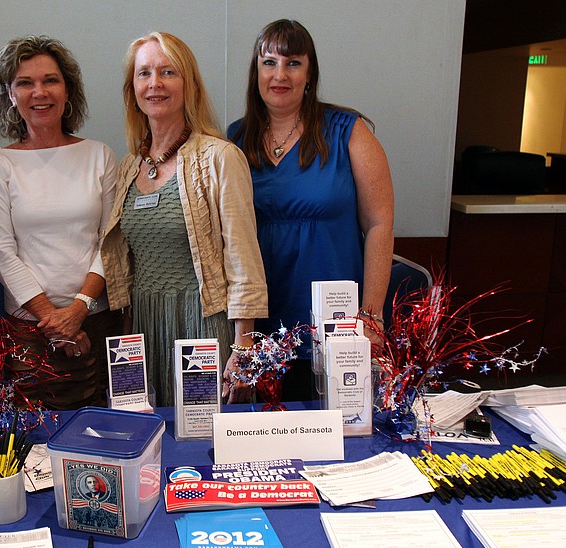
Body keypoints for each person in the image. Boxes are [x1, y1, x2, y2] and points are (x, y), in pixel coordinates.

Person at [229, 19, 395, 400]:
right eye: (269, 63)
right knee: (271, 446)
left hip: (336, 326)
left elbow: (380, 225)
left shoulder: (348, 132)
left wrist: (371, 316)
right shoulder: (235, 141)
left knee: (341, 442)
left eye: (293, 63)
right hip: (261, 326)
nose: (280, 75)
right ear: (256, 72)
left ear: (310, 73)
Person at [101, 32, 268, 406]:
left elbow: (243, 258)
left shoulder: (219, 158)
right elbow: (127, 266)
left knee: (203, 447)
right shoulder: (128, 167)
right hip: (144, 329)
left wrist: (243, 347)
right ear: (133, 89)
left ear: (188, 84)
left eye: (168, 72)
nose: (155, 83)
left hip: (203, 325)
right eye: (144, 74)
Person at [0, 36, 119, 411]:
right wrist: (54, 321)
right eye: (25, 83)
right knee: (36, 441)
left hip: (95, 319)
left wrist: (77, 312)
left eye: (50, 80)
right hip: (30, 328)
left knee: (100, 431)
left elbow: (110, 243)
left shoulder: (99, 155)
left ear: (67, 89)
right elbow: (3, 253)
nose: (39, 92)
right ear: (10, 95)